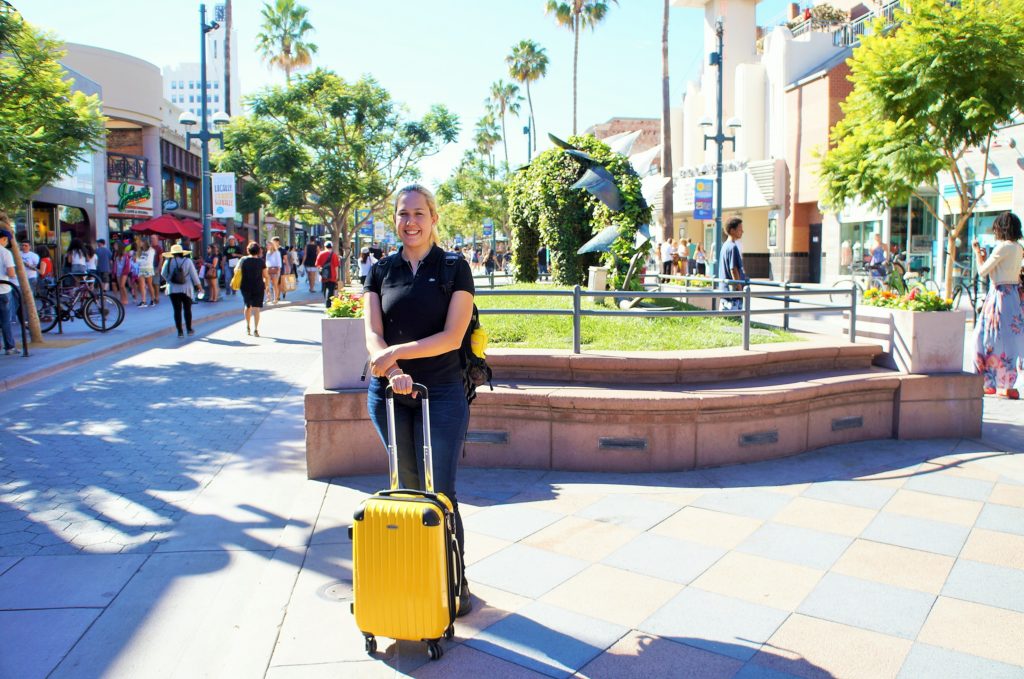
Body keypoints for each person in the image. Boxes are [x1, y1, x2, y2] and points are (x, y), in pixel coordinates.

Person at [363, 184, 475, 617]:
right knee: (405, 491)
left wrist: (397, 354)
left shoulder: (453, 267)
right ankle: (414, 582)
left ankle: (454, 581)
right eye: (402, 214)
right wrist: (391, 370)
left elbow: (452, 337)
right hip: (390, 394)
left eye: (419, 214)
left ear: (433, 219)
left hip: (442, 393)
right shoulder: (379, 270)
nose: (410, 222)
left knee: (442, 493)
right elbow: (372, 336)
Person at [971, 211, 1024, 399]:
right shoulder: (1018, 248)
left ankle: (989, 382)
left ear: (1001, 228)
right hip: (1013, 296)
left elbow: (983, 272)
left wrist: (978, 254)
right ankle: (1007, 384)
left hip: (999, 296)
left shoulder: (1002, 247)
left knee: (985, 336)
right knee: (1010, 340)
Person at [161, 243, 202, 337]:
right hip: (186, 289)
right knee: (187, 309)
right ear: (182, 252)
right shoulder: (188, 261)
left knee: (177, 310)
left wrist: (169, 280)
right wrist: (200, 287)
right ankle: (189, 329)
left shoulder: (169, 261)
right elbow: (194, 276)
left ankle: (180, 331)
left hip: (173, 289)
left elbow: (163, 273)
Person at [718, 217, 747, 311]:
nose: (742, 231)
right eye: (740, 229)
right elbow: (733, 269)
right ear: (732, 230)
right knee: (736, 320)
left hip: (725, 291)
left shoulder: (725, 246)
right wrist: (739, 288)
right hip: (733, 294)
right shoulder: (732, 247)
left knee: (726, 319)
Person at [239, 242, 268, 336]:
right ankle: (256, 329)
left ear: (248, 250)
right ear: (259, 251)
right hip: (258, 286)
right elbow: (266, 276)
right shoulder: (261, 262)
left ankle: (248, 326)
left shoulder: (244, 261)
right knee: (256, 308)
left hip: (245, 286)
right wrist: (267, 287)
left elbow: (237, 272)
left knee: (247, 306)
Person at [0, 230, 18, 355]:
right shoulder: (5, 253)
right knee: (5, 320)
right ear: (4, 239)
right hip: (3, 290)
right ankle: (10, 347)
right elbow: (11, 273)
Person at [315, 241, 340, 307]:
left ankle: (326, 300)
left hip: (324, 275)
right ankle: (328, 303)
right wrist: (337, 276)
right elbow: (336, 266)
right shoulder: (334, 255)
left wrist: (320, 273)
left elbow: (317, 265)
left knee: (324, 288)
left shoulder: (321, 254)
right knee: (331, 290)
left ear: (325, 246)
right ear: (331, 247)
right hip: (332, 275)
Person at [135, 238, 155, 307]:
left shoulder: (151, 250)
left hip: (148, 268)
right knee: (142, 286)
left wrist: (140, 261)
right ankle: (143, 301)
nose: (139, 244)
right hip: (141, 269)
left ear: (144, 242)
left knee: (149, 285)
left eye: (140, 242)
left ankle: (153, 299)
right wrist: (140, 261)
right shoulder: (140, 250)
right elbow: (137, 260)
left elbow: (148, 261)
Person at [265, 237, 283, 304]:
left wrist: (278, 269)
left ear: (271, 245)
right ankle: (268, 297)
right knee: (267, 284)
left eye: (268, 245)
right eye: (266, 245)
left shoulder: (277, 252)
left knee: (275, 285)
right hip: (268, 269)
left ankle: (275, 298)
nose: (267, 246)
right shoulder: (267, 252)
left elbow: (279, 262)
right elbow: (266, 261)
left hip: (275, 269)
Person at [149, 235, 164, 305]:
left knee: (156, 283)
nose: (152, 239)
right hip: (149, 267)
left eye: (154, 238)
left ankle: (157, 297)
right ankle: (153, 297)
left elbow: (161, 259)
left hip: (155, 267)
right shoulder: (149, 247)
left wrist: (158, 268)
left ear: (157, 239)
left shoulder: (159, 248)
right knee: (150, 283)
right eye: (151, 238)